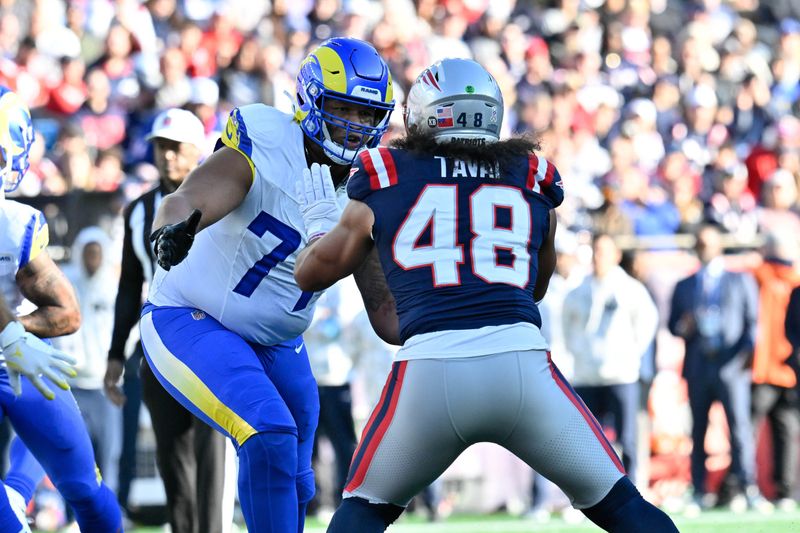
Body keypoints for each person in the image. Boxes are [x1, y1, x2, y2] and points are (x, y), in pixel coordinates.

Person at [293, 58, 678, 533]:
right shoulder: (532, 174)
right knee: (623, 507)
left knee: (363, 509)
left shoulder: (386, 172)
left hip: (429, 369)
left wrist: (317, 229)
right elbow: (534, 287)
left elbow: (310, 276)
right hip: (520, 365)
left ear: (422, 115)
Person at [139, 37, 396, 532]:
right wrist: (172, 230)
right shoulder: (266, 137)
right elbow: (191, 196)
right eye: (344, 108)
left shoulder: (372, 184)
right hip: (193, 317)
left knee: (298, 478)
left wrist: (453, 321)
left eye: (367, 115)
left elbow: (386, 312)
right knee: (269, 433)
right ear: (311, 100)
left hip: (281, 342)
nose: (356, 125)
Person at [103, 107, 236, 533]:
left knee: (211, 446)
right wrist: (113, 353)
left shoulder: (227, 202)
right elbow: (129, 286)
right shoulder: (138, 210)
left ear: (198, 150)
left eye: (176, 147)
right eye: (160, 147)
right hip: (158, 339)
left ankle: (212, 528)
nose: (166, 156)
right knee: (170, 452)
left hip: (213, 337)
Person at [0, 85, 123, 532]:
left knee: (86, 489)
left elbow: (67, 313)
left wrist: (15, 330)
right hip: (8, 348)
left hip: (10, 361)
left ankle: (16, 492)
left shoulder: (16, 225)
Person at [668, 223, 766, 513]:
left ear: (718, 246)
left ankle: (747, 488)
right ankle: (699, 490)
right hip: (699, 366)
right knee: (697, 431)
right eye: (699, 243)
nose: (704, 248)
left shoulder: (740, 280)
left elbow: (752, 323)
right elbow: (674, 325)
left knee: (739, 428)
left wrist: (747, 356)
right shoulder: (685, 284)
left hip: (731, 367)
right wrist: (683, 326)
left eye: (708, 243)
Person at [562, 233, 659, 484]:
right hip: (587, 374)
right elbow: (567, 326)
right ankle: (587, 492)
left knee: (627, 437)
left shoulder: (631, 290)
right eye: (596, 251)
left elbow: (647, 324)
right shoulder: (579, 290)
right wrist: (579, 353)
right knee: (587, 440)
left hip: (621, 374)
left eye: (605, 251)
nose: (599, 257)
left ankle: (634, 489)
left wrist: (629, 353)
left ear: (616, 255)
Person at [52, 227, 122, 494]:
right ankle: (74, 515)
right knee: (75, 452)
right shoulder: (66, 285)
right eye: (88, 253)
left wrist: (115, 361)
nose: (92, 258)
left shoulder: (114, 289)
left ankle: (111, 511)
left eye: (97, 253)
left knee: (108, 452)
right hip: (71, 384)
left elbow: (128, 329)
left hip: (105, 385)